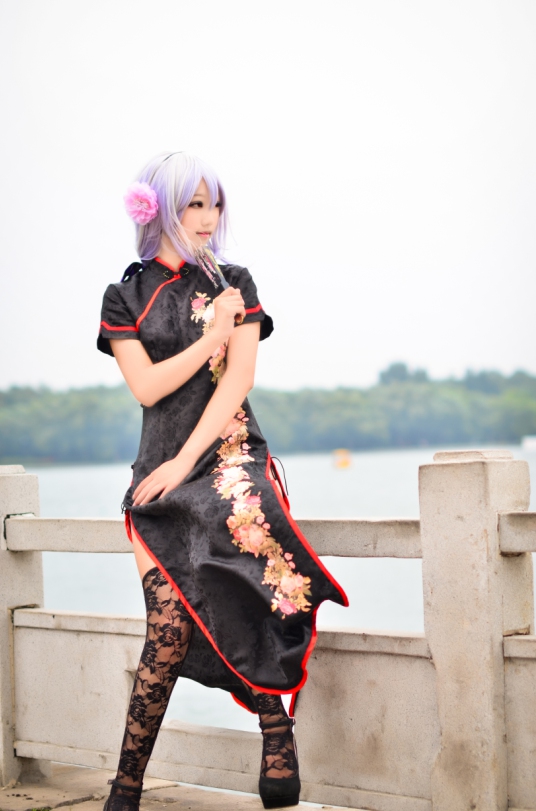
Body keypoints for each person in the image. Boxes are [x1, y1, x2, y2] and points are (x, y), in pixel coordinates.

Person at [97, 152, 348, 810]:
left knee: (243, 587)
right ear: (158, 209)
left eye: (214, 204)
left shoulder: (235, 283)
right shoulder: (125, 296)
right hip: (157, 477)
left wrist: (189, 461)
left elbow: (239, 380)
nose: (208, 218)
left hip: (231, 460)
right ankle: (126, 786)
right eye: (193, 204)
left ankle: (275, 731)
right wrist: (211, 336)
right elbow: (147, 386)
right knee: (169, 627)